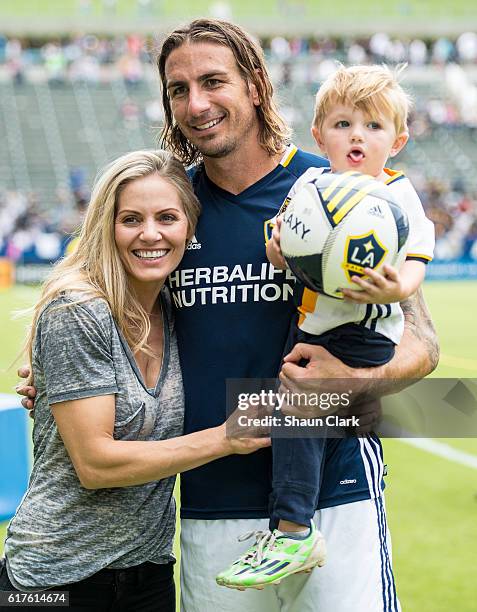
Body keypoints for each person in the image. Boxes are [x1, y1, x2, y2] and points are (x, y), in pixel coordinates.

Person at [18, 18, 439, 612]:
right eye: (178, 89)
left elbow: (423, 344)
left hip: (332, 494)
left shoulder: (342, 191)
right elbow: (102, 309)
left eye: (214, 81)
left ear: (256, 86)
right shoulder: (170, 210)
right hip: (210, 502)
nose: (197, 103)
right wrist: (60, 377)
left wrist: (351, 384)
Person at [1, 149, 268, 611]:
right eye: (131, 219)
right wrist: (225, 438)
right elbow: (96, 464)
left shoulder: (175, 309)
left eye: (167, 217)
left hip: (148, 575)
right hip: (52, 580)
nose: (151, 234)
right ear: (108, 226)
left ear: (189, 227)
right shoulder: (77, 311)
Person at [217, 64, 435, 589]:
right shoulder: (311, 185)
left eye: (373, 127)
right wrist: (277, 252)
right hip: (313, 320)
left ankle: (293, 530)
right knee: (290, 408)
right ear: (319, 135)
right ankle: (292, 524)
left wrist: (397, 288)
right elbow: (285, 243)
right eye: (342, 125)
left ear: (398, 140)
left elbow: (416, 262)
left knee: (298, 406)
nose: (357, 136)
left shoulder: (395, 195)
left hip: (360, 329)